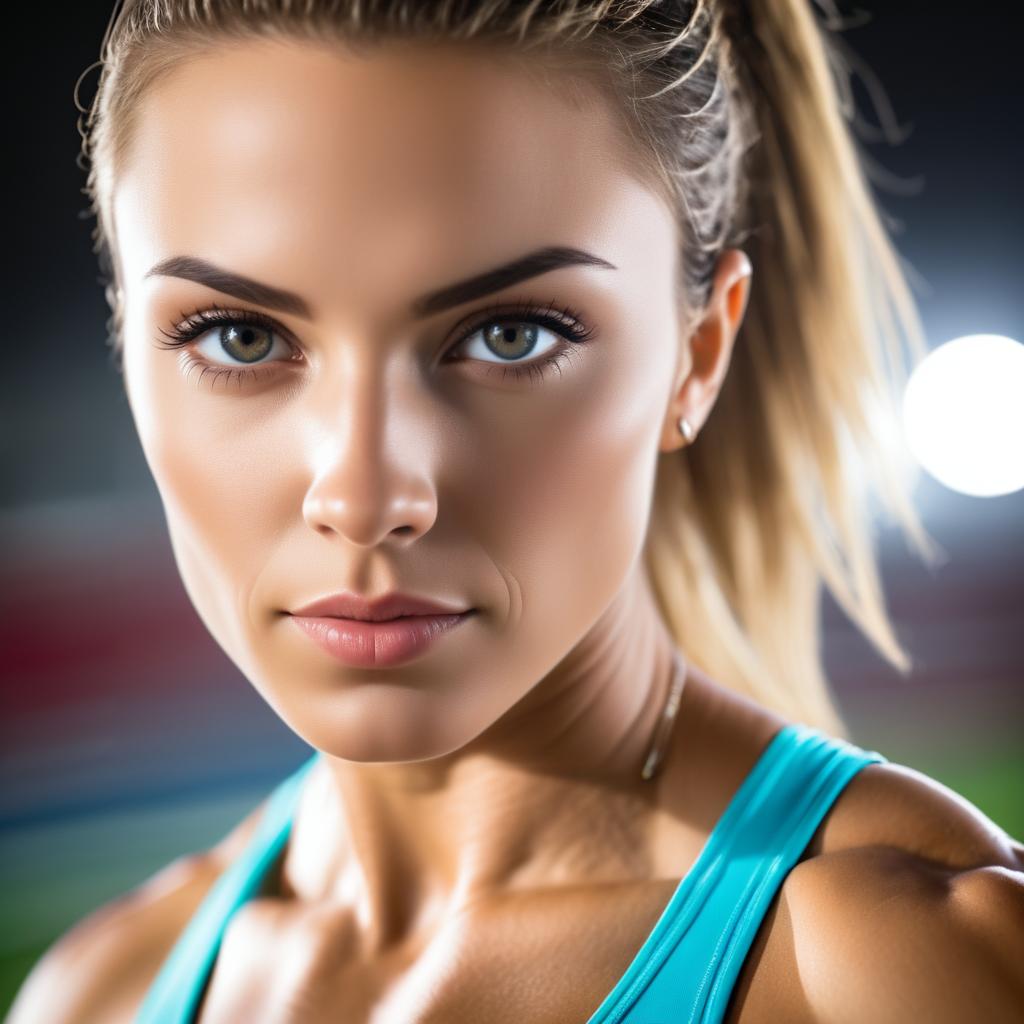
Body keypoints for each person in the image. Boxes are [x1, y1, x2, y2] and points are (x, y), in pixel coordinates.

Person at [10, 0, 1024, 1021]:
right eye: (238, 337)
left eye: (508, 336)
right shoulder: (96, 993)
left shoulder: (904, 967)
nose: (363, 496)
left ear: (697, 356)